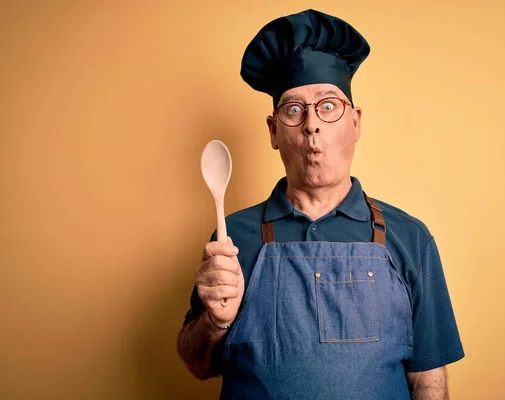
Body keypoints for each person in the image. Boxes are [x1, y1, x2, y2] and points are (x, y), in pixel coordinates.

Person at [177, 9, 464, 399]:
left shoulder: (409, 238)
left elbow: (427, 379)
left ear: (356, 122)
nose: (312, 124)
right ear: (274, 131)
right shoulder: (231, 238)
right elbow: (197, 365)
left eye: (328, 106)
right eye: (294, 109)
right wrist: (215, 321)